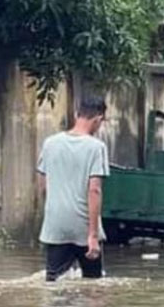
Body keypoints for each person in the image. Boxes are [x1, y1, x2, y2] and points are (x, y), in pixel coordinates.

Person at [38, 96, 111, 281]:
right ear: (98, 119)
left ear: (77, 114)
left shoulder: (49, 144)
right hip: (83, 227)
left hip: (55, 226)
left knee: (54, 284)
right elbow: (94, 190)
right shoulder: (97, 147)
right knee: (94, 287)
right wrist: (93, 236)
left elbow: (43, 186)